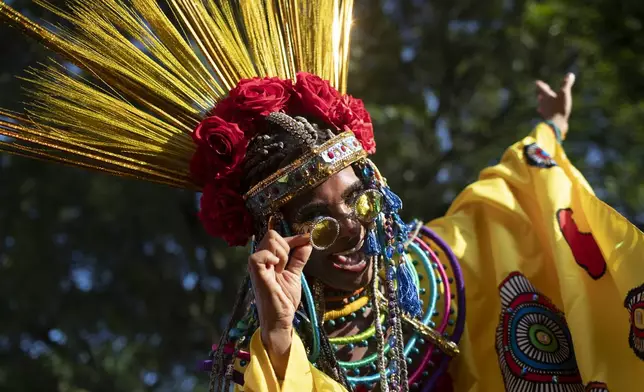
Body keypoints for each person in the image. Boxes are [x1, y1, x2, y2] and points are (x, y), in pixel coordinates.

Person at [0, 1, 642, 392]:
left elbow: (520, 186)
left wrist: (551, 130)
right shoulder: (261, 353)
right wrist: (280, 340)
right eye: (322, 224)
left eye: (359, 203)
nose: (354, 230)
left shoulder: (439, 265)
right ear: (274, 238)